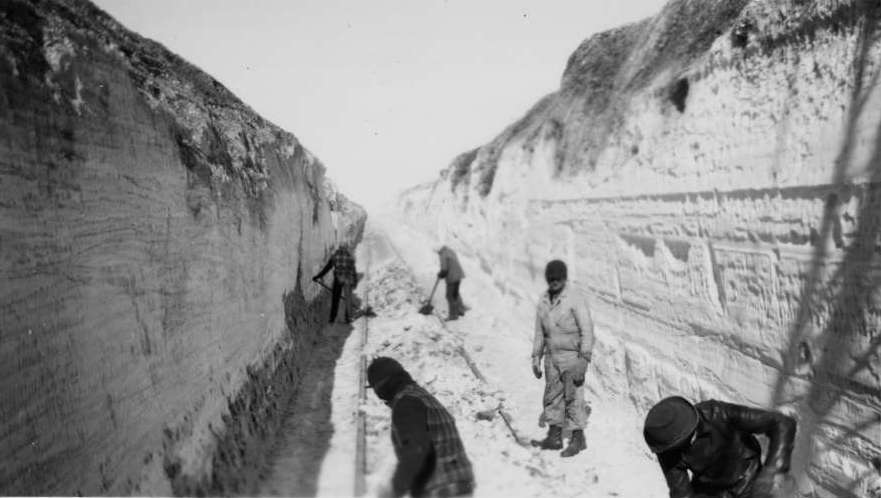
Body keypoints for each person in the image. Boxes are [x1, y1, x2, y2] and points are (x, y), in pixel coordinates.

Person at [643, 396, 797, 498]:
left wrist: (772, 471)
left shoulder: (717, 414)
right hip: (712, 492)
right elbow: (681, 493)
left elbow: (782, 423)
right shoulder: (667, 446)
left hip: (751, 481)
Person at [367, 357, 475, 498]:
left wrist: (394, 490)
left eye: (376, 388)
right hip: (458, 484)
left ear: (383, 385)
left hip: (441, 489)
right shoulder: (421, 396)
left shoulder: (406, 404)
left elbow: (415, 450)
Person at [530, 259, 595, 457]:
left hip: (571, 357)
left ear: (564, 278)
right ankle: (555, 436)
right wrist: (536, 356)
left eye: (557, 278)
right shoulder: (543, 300)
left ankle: (578, 438)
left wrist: (583, 359)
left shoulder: (575, 298)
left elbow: (587, 330)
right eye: (550, 278)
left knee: (573, 397)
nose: (554, 281)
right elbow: (539, 332)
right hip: (552, 357)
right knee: (552, 396)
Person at [312, 242, 357, 324]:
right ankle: (347, 319)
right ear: (346, 248)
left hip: (338, 280)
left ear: (339, 248)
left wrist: (317, 276)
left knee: (335, 299)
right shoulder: (349, 256)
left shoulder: (335, 256)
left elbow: (327, 268)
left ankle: (332, 319)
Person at [435, 245, 466, 321]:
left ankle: (453, 315)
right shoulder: (450, 251)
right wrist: (442, 273)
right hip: (459, 275)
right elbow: (451, 264)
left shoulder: (442, 255)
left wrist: (441, 274)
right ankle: (461, 309)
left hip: (452, 277)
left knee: (449, 296)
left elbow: (444, 269)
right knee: (455, 293)